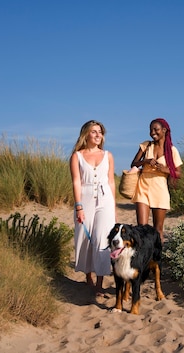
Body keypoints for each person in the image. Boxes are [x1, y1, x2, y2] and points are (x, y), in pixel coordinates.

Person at [70, 120, 117, 299]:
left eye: (100, 132)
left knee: (102, 239)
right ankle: (88, 276)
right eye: (94, 132)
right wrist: (78, 206)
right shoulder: (77, 156)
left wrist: (113, 207)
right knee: (85, 237)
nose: (98, 135)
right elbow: (76, 181)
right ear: (86, 135)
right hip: (86, 199)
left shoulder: (108, 155)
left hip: (105, 200)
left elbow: (111, 181)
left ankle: (99, 283)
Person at [130, 118, 182, 242]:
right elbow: (133, 163)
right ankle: (143, 260)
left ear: (164, 130)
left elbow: (179, 173)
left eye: (156, 129)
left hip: (160, 189)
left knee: (158, 229)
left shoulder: (172, 150)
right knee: (141, 228)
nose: (152, 132)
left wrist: (166, 170)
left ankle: (156, 259)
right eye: (151, 130)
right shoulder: (146, 145)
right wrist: (145, 161)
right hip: (143, 186)